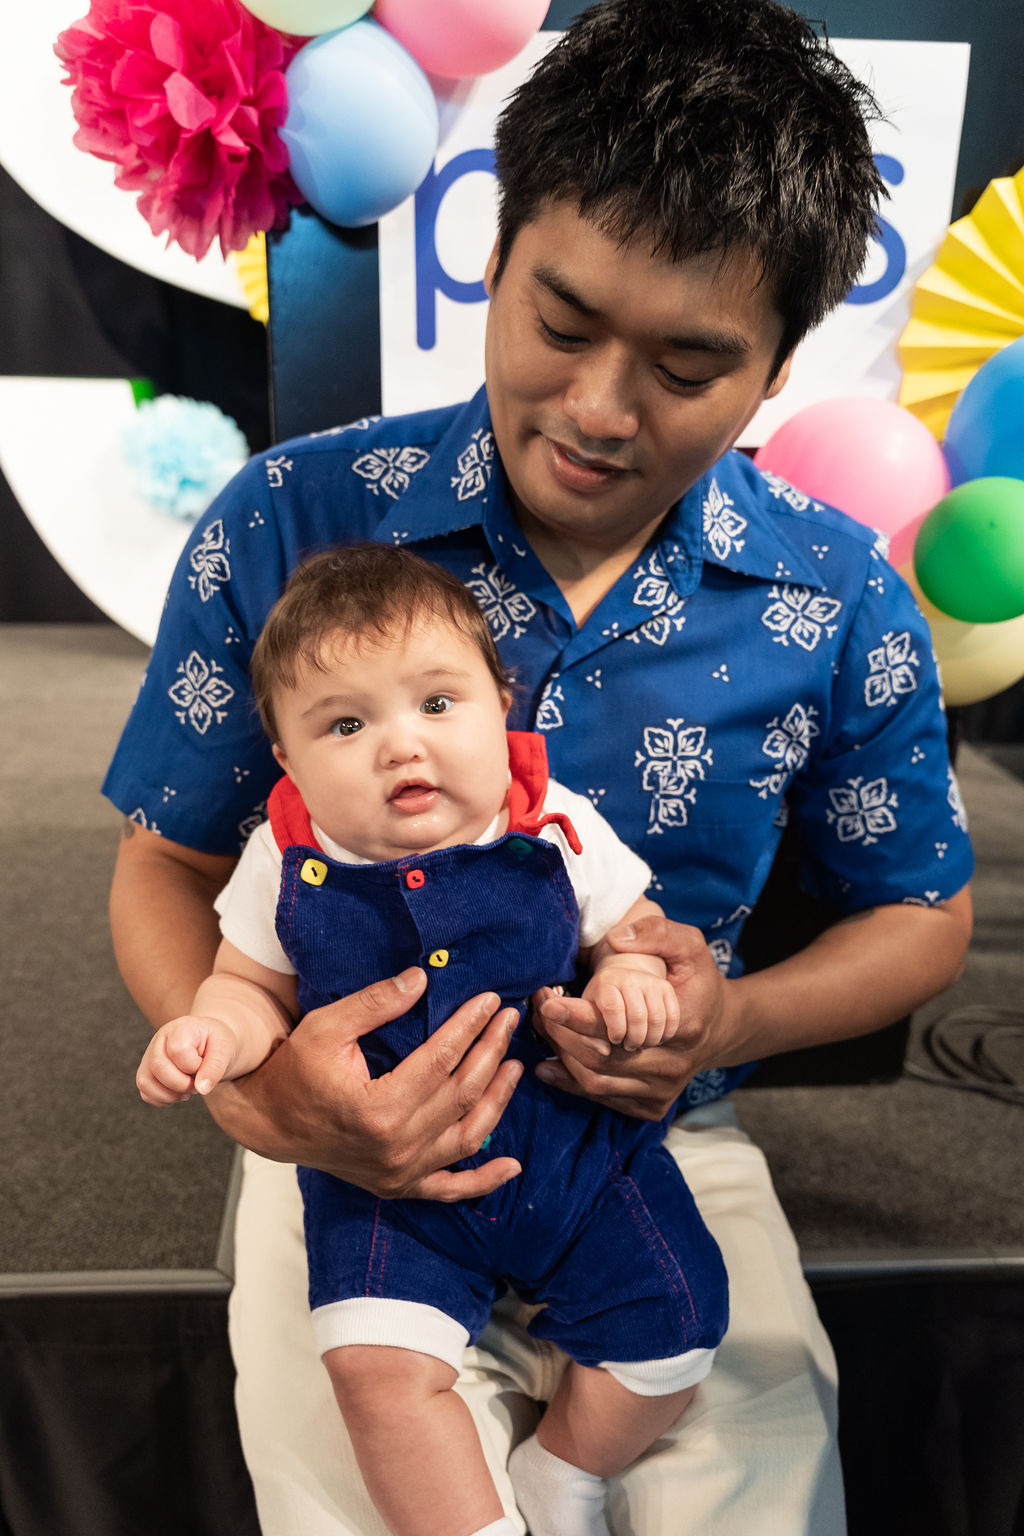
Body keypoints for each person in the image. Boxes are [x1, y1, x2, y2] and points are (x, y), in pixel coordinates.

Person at [104, 0, 974, 1531]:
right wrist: (263, 1097)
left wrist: (724, 1021)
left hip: (662, 1138)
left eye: (687, 365)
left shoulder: (838, 592)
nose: (596, 409)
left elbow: (923, 912)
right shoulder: (292, 518)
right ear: (494, 258)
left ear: (778, 367)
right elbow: (166, 863)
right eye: (561, 323)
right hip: (346, 1142)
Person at [136, 543, 730, 1536]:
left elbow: (634, 936)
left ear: (502, 703)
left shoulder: (555, 824)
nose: (400, 746)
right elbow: (247, 988)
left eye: (438, 704)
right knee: (372, 1371)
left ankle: (567, 1469)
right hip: (382, 1179)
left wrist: (631, 983)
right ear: (286, 759)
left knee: (677, 1332)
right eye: (346, 724)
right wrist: (210, 1034)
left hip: (576, 1156)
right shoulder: (283, 856)